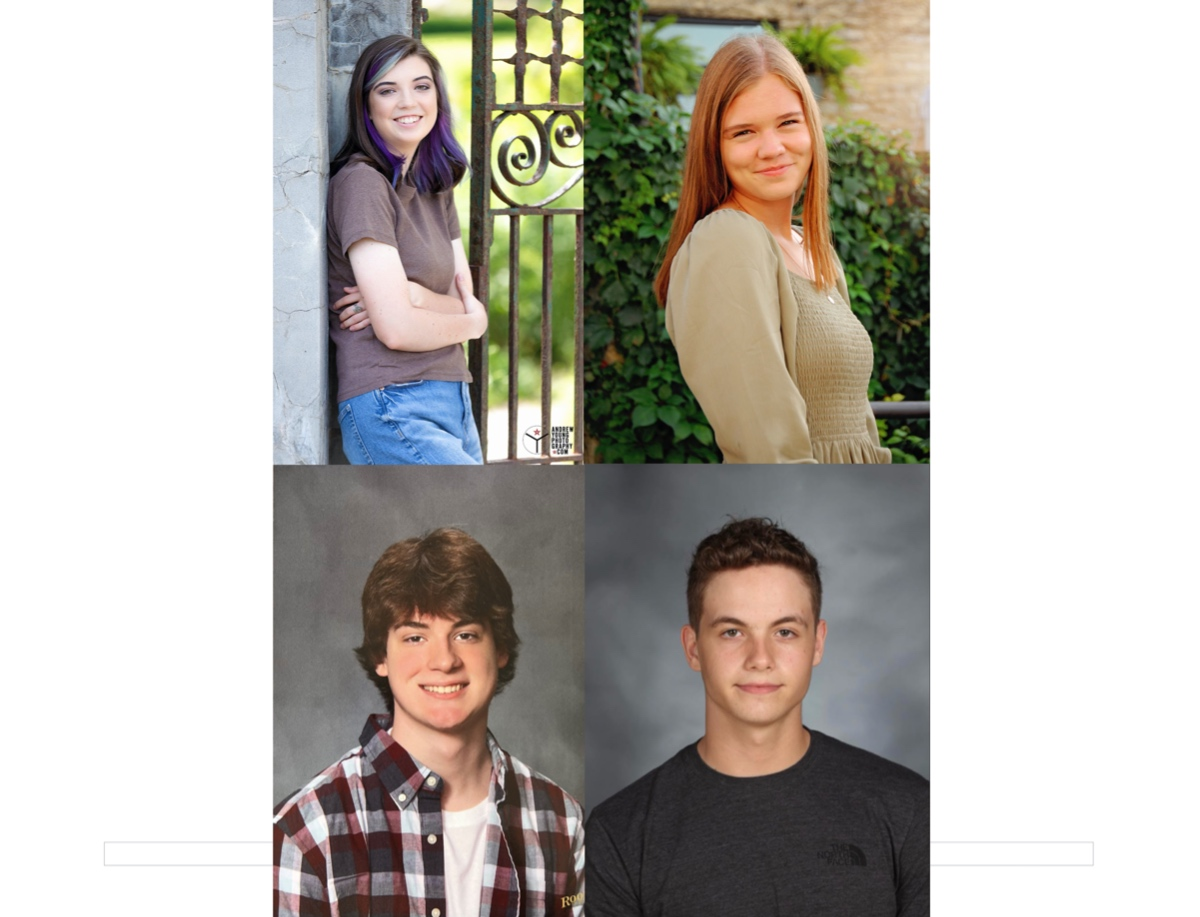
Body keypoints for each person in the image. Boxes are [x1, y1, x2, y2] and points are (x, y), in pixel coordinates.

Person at [585, 518, 928, 916]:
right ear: (693, 648)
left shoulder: (910, 809)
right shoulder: (619, 833)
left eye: (784, 632)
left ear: (817, 644)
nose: (760, 659)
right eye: (732, 632)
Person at [274, 529, 584, 916]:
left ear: (500, 648)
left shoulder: (563, 821)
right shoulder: (304, 833)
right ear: (380, 656)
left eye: (466, 634)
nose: (444, 660)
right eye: (415, 638)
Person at [654, 35, 891, 464]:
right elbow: (766, 449)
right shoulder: (727, 241)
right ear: (715, 146)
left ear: (811, 127)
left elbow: (855, 421)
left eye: (787, 123)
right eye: (743, 132)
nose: (772, 149)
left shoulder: (815, 252)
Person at [326, 35, 487, 465]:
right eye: (387, 89)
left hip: (454, 398)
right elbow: (397, 330)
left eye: (421, 86)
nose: (407, 102)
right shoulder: (362, 185)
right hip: (391, 401)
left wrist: (414, 296)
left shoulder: (435, 186)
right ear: (366, 105)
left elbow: (462, 294)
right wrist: (472, 323)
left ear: (437, 95)